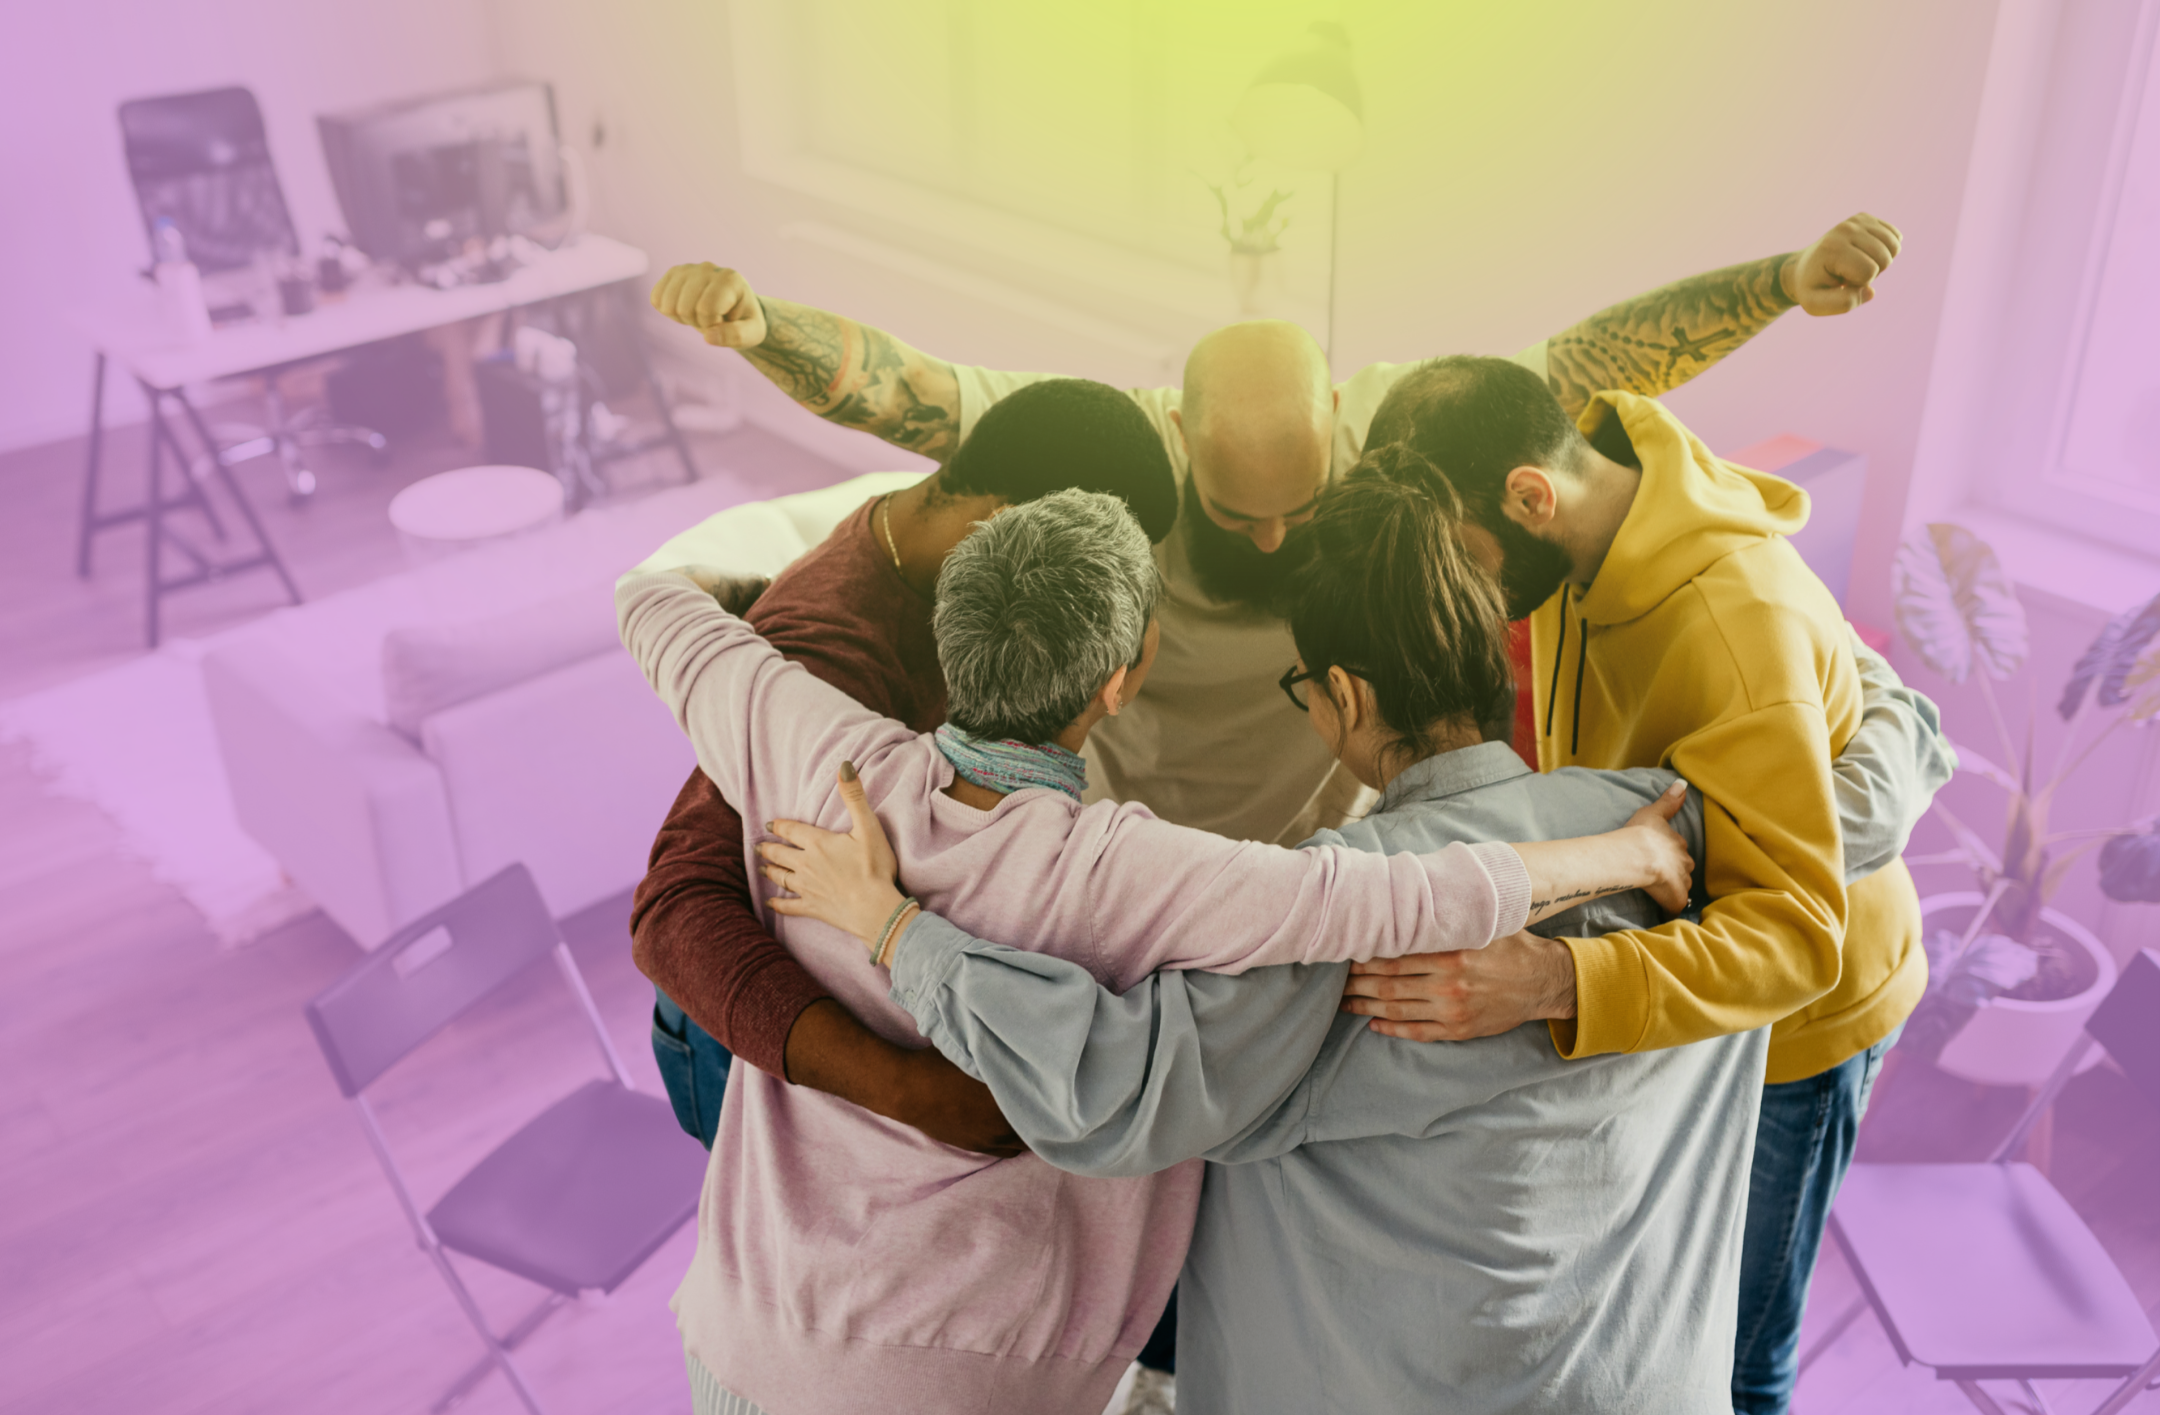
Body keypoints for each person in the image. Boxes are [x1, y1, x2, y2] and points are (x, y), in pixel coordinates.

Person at [748, 452, 1954, 1413]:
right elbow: (1897, 742)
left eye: (1304, 695)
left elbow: (1103, 1089)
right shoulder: (1709, 832)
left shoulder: (1328, 929)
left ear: (1347, 698)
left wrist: (897, 926)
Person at [615, 489, 1698, 1415]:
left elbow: (652, 598)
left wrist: (870, 543)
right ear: (1124, 675)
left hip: (738, 1341)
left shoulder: (808, 742)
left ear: (955, 637)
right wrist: (1621, 849)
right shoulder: (1132, 872)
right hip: (957, 1381)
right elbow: (1404, 893)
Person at [649, 212, 1901, 847]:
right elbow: (918, 393)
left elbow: (1584, 361)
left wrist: (1781, 283)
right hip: (1116, 837)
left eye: (1301, 510)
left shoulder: (1387, 429)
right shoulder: (1118, 448)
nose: (1271, 540)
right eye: (1240, 513)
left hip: (1311, 853)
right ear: (1180, 441)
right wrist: (762, 329)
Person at [1350, 357, 1927, 1414]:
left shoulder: (1724, 624)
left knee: (1741, 1348)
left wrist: (1554, 979)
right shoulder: (1599, 519)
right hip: (1695, 973)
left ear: (1531, 495)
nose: (1459, 580)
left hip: (1802, 1026)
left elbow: (1799, 937)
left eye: (1460, 551)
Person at [635, 377, 1178, 1153]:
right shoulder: (830, 655)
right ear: (1002, 524)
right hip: (742, 1032)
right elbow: (676, 904)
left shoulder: (944, 559)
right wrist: (908, 1090)